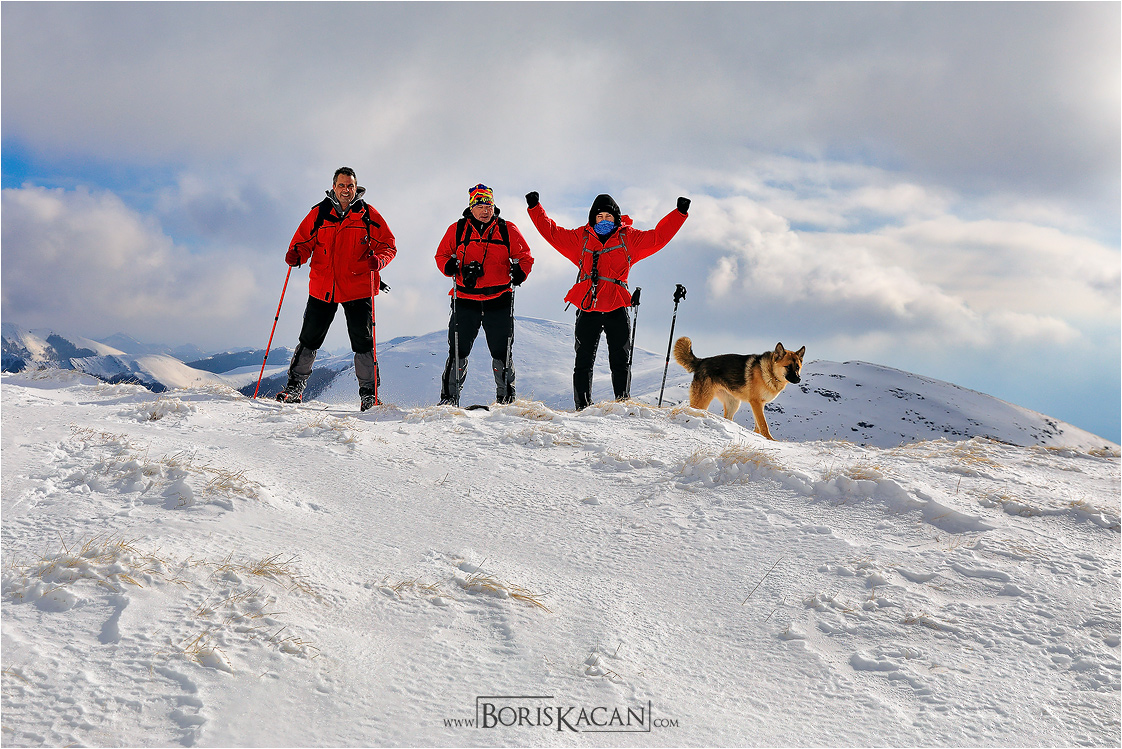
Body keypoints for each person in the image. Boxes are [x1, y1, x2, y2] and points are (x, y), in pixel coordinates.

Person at [525, 191, 689, 409]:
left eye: (608, 217)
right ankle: (582, 407)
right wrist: (535, 208)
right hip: (588, 307)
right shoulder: (580, 238)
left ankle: (622, 404)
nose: (603, 220)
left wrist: (679, 213)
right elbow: (552, 233)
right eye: (599, 216)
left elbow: (658, 237)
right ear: (593, 218)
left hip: (617, 306)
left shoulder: (629, 238)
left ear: (616, 218)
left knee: (620, 360)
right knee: (583, 361)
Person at [276, 167, 396, 411]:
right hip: (324, 285)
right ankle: (294, 389)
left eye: (350, 185)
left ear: (356, 187)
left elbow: (388, 245)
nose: (346, 190)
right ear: (333, 187)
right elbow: (302, 242)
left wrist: (379, 261)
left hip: (358, 286)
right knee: (309, 338)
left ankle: (369, 396)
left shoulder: (368, 214)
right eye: (341, 185)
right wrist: (297, 255)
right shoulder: (319, 213)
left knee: (363, 343)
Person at [435, 184, 534, 405]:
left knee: (502, 351)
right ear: (471, 207)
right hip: (465, 299)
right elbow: (442, 255)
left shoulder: (507, 229)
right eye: (480, 206)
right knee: (458, 350)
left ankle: (506, 399)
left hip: (499, 299)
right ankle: (449, 400)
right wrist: (448, 266)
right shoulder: (458, 229)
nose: (485, 210)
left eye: (488, 205)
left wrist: (521, 272)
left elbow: (525, 257)